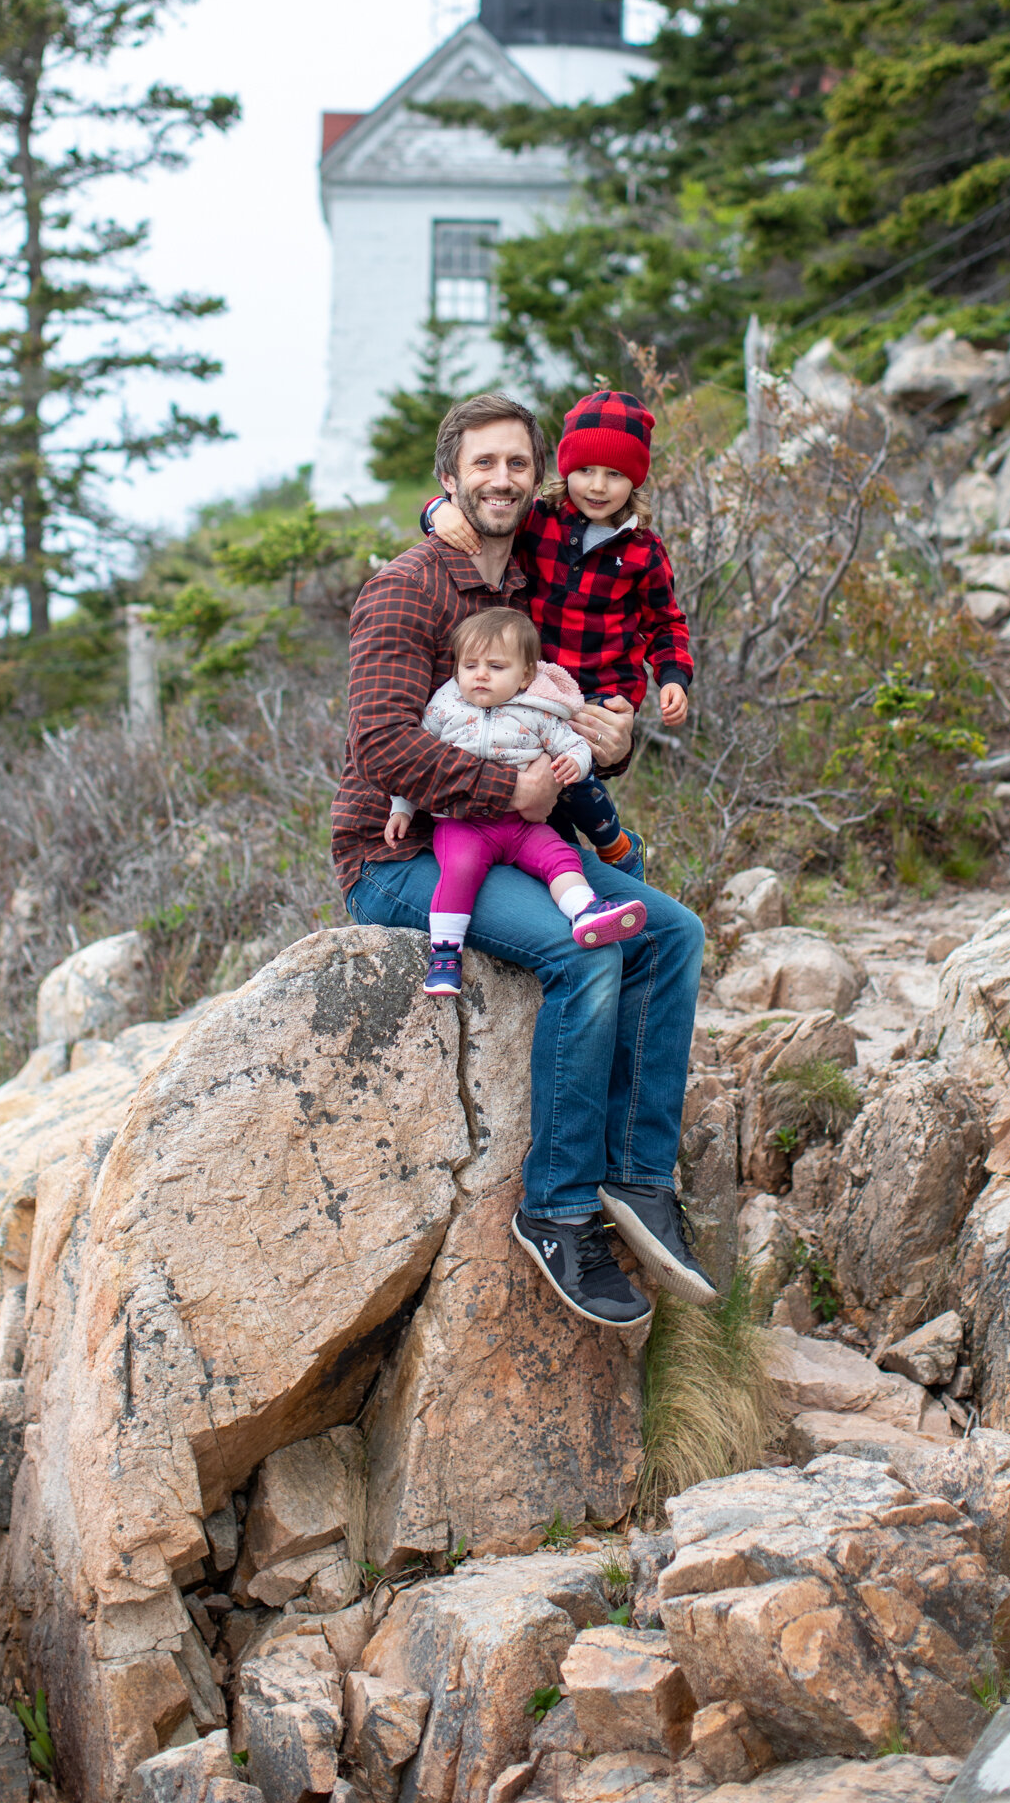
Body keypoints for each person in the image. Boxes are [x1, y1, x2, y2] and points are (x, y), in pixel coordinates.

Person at [335, 390, 711, 1331]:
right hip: (402, 857)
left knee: (672, 933)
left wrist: (615, 738)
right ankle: (558, 1209)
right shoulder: (407, 588)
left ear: (536, 479)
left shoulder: (528, 587)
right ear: (450, 478)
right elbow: (382, 746)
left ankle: (634, 1173)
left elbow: (577, 701)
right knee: (583, 951)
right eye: (482, 464)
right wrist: (510, 795)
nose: (501, 479)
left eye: (516, 464)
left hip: (515, 842)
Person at [422, 388, 691, 868]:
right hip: (537, 680)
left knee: (574, 779)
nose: (597, 486)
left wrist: (673, 678)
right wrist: (436, 511)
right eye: (585, 470)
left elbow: (666, 623)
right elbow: (481, 513)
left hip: (601, 691)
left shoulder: (644, 552)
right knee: (532, 772)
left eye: (615, 475)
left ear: (635, 480)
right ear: (566, 470)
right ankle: (564, 865)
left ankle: (618, 852)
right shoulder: (540, 520)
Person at [385, 606, 648, 998]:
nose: (480, 675)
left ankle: (584, 910)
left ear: (526, 675)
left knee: (561, 856)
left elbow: (573, 743)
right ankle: (444, 955)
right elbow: (415, 760)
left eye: (495, 666)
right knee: (460, 869)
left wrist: (574, 763)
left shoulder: (537, 712)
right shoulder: (444, 707)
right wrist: (401, 809)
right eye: (469, 665)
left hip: (523, 827)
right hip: (463, 823)